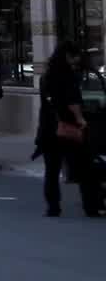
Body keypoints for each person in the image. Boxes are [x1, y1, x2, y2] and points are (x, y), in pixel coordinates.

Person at [34, 43, 103, 218]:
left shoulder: (46, 77)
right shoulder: (68, 77)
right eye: (74, 56)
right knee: (85, 169)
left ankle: (53, 208)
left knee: (52, 171)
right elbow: (73, 103)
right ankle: (91, 207)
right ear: (67, 56)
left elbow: (47, 104)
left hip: (49, 131)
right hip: (69, 130)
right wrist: (81, 120)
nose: (77, 60)